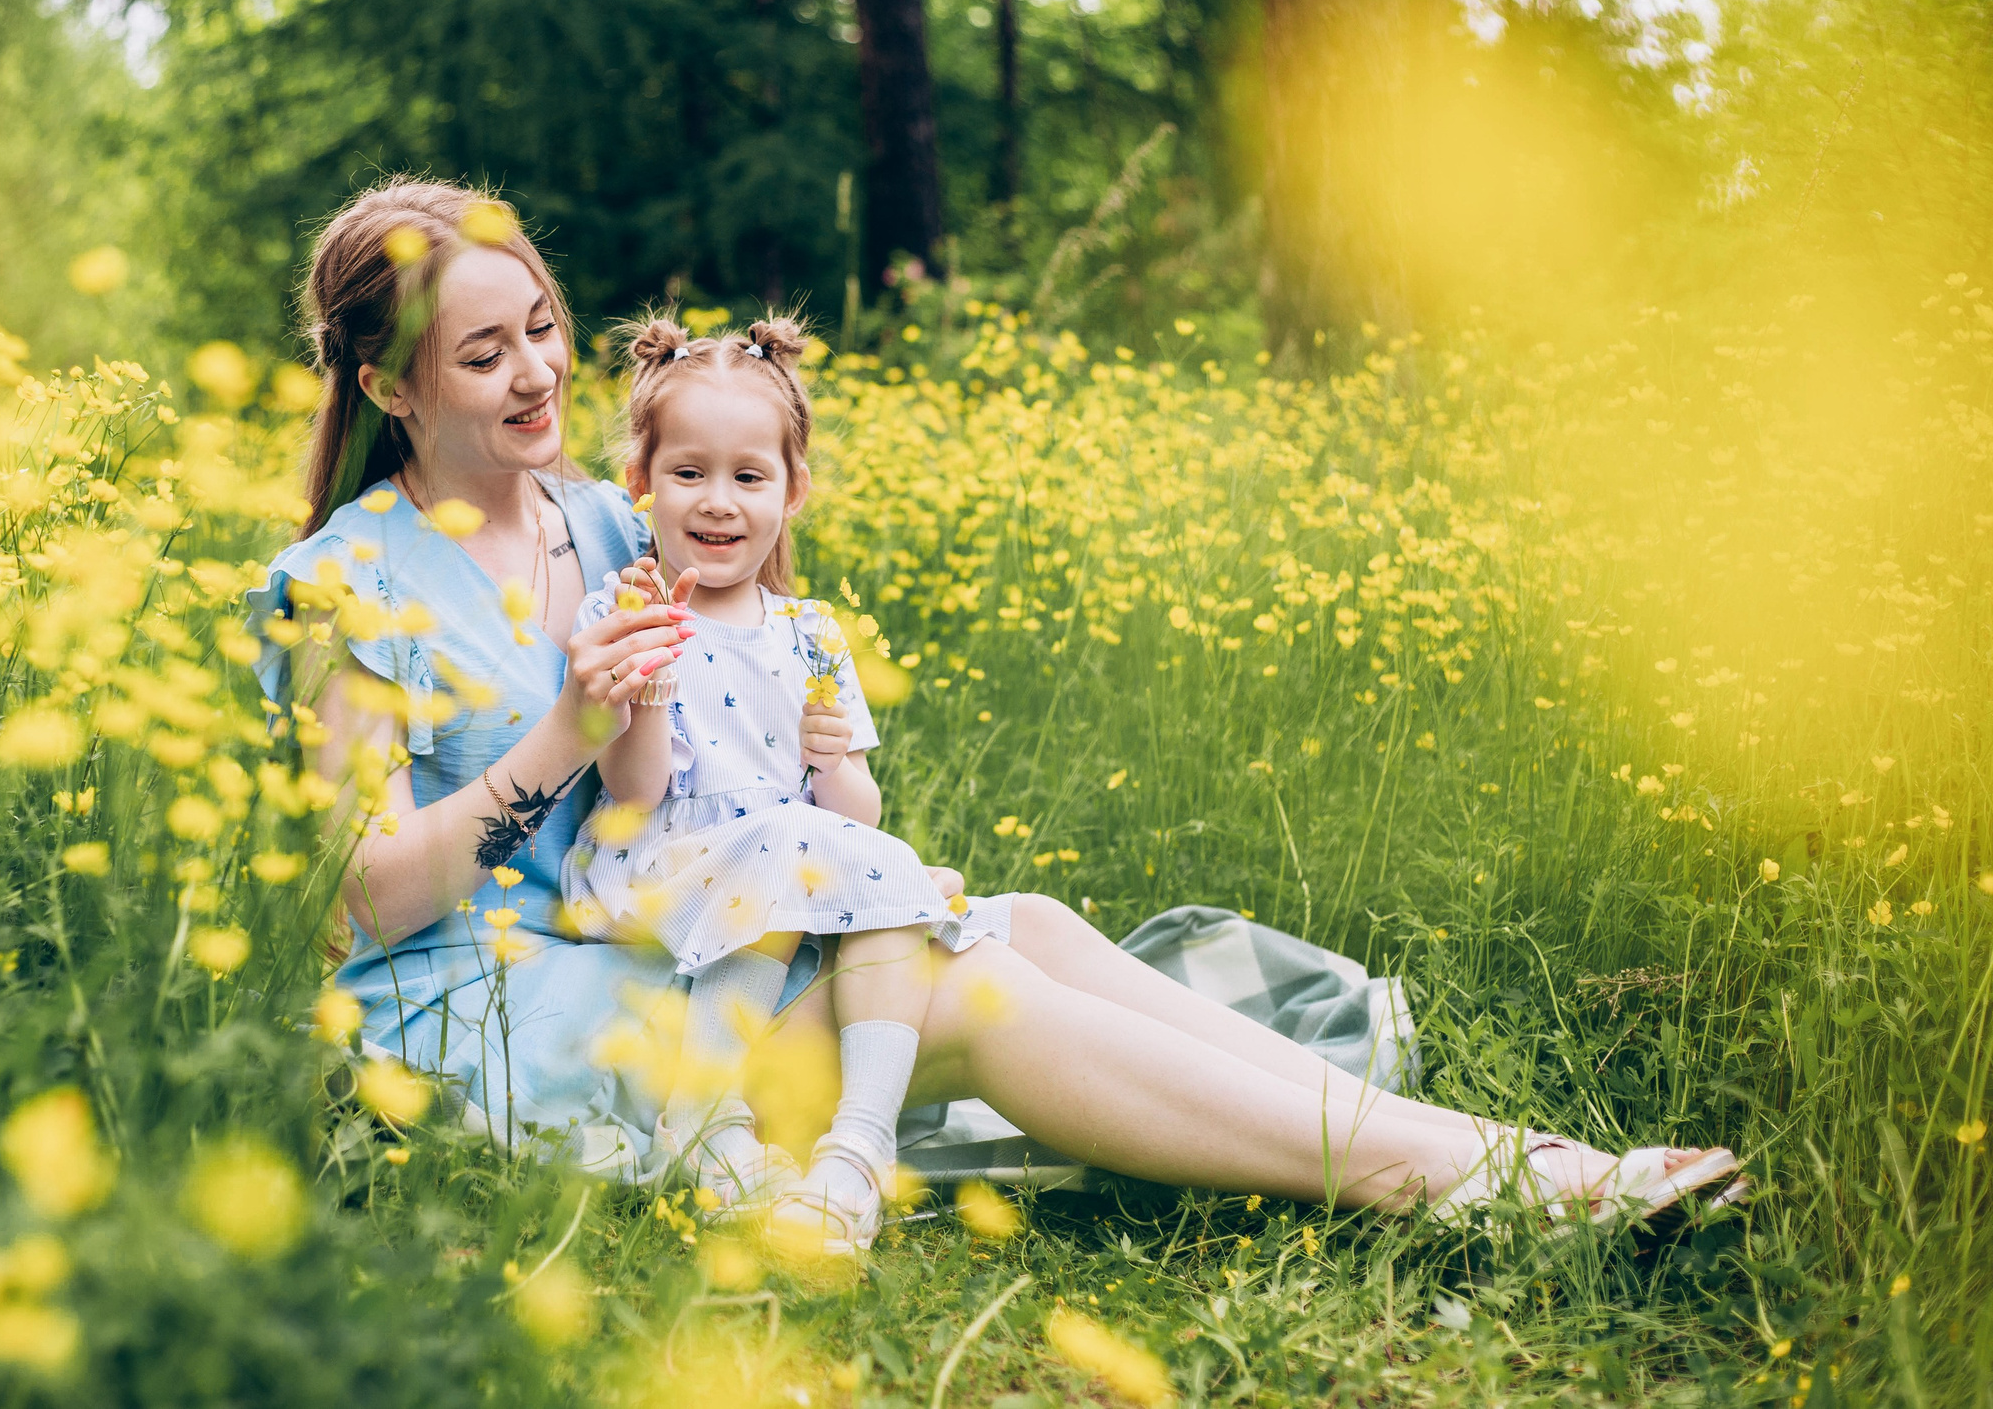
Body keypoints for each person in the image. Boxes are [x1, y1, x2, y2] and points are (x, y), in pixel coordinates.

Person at [249, 177, 1740, 1229]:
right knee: (976, 987)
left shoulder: (604, 517)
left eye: (543, 326)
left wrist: (838, 815)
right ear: (389, 384)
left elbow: (721, 718)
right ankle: (1475, 1186)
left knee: (1013, 921)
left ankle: (1496, 1149)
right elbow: (360, 898)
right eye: (484, 350)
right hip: (503, 1013)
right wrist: (555, 740)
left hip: (663, 923)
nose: (537, 372)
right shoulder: (344, 586)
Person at [561, 313, 996, 1254]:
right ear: (641, 481)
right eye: (689, 473)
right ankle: (708, 1125)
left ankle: (858, 1149)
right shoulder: (627, 610)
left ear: (791, 491)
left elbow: (853, 815)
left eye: (748, 477)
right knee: (809, 854)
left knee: (870, 863)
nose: (718, 502)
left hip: (779, 863)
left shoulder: (811, 633)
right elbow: (631, 792)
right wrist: (647, 692)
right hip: (654, 861)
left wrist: (833, 758)